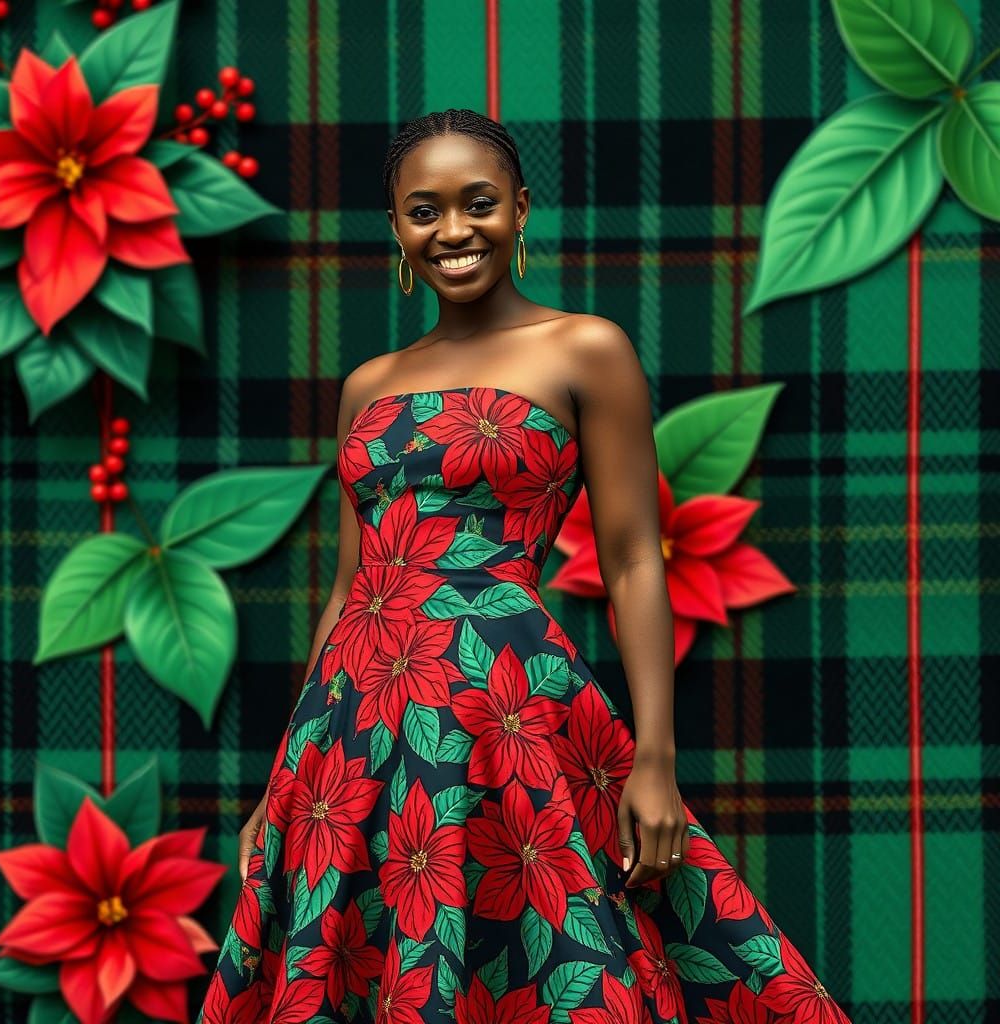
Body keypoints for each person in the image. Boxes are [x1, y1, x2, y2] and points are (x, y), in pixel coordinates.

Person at [196, 108, 850, 1023]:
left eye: (479, 204)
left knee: (555, 961)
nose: (454, 231)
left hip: (508, 712)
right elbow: (352, 590)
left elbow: (631, 558)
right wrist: (281, 785)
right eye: (424, 211)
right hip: (355, 732)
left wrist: (654, 762)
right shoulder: (368, 384)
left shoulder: (585, 348)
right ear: (395, 229)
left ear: (522, 209)